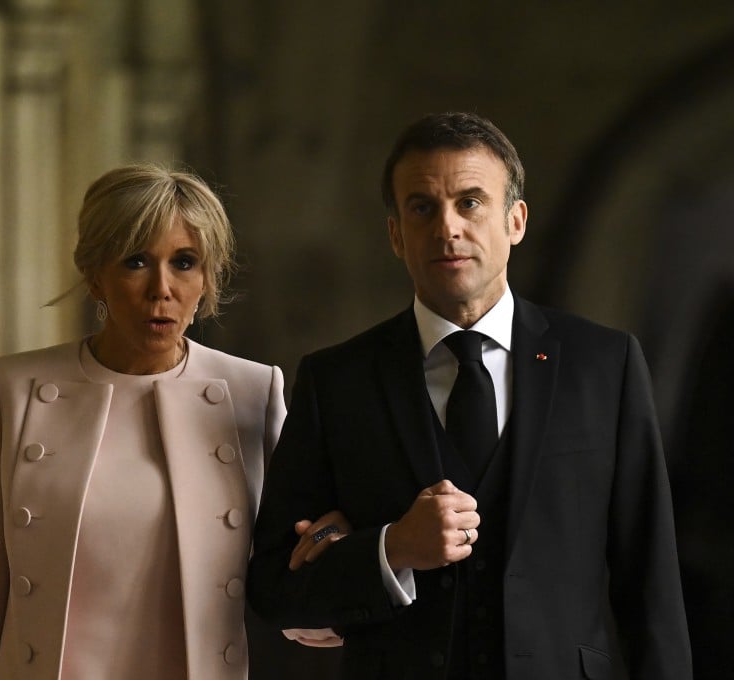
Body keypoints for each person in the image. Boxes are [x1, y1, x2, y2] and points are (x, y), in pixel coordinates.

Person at [247, 112, 693, 678]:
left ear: (516, 221)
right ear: (395, 234)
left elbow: (650, 581)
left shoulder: (605, 365)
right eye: (422, 207)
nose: (447, 227)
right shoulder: (337, 382)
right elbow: (274, 586)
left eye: (471, 202)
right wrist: (392, 549)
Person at [0, 164, 337, 680]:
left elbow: (294, 560)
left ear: (207, 279)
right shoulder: (14, 387)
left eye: (184, 262)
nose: (162, 288)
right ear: (95, 274)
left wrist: (343, 544)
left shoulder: (251, 392)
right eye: (136, 262)